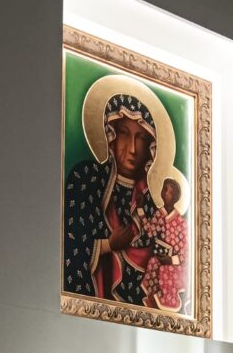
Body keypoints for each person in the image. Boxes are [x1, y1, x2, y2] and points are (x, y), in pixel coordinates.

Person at [63, 93, 159, 304]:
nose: (132, 148)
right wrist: (108, 244)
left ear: (150, 148)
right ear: (111, 136)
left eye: (141, 138)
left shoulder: (151, 202)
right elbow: (70, 245)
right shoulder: (86, 178)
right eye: (124, 133)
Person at [138, 178, 189, 312]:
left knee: (164, 270)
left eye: (170, 192)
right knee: (153, 263)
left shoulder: (180, 222)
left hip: (178, 263)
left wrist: (171, 260)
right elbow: (150, 231)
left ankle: (167, 304)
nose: (165, 193)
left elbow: (186, 251)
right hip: (163, 257)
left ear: (176, 197)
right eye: (164, 189)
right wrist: (140, 210)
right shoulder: (159, 214)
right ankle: (152, 300)